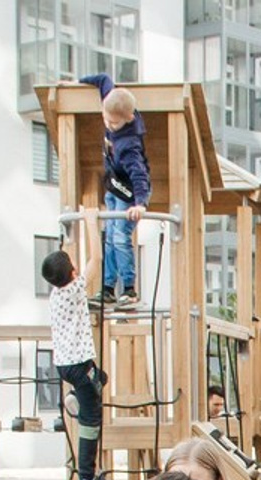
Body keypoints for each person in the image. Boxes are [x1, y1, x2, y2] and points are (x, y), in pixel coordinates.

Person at [40, 211, 112, 480]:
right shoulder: (74, 289)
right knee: (91, 419)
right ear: (72, 273)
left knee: (101, 378)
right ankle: (85, 479)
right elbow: (96, 260)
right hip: (80, 365)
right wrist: (92, 222)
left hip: (67, 365)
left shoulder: (56, 294)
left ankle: (72, 397)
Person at [80, 75, 149, 307]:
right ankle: (107, 287)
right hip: (113, 186)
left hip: (129, 193)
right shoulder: (111, 102)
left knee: (120, 236)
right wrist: (75, 83)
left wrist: (140, 204)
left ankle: (129, 288)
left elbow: (140, 176)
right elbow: (103, 80)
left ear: (128, 118)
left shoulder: (130, 144)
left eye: (115, 124)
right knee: (108, 236)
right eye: (106, 121)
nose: (109, 126)